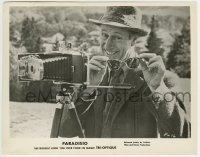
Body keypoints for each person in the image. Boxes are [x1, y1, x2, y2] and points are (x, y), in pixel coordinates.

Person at [58, 6, 190, 138]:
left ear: (133, 40)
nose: (107, 45)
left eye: (117, 37)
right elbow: (64, 132)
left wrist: (158, 88)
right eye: (104, 35)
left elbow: (181, 135)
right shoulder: (90, 74)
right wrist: (88, 90)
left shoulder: (162, 80)